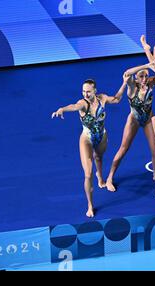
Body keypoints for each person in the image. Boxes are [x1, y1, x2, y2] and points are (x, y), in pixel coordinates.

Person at [51, 76, 128, 217]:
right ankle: (90, 205)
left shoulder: (102, 98)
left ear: (95, 91)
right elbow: (73, 107)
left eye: (88, 92)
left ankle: (101, 178)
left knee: (99, 157)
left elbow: (116, 99)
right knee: (88, 174)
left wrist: (124, 83)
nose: (86, 94)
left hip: (101, 136)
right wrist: (62, 109)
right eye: (83, 91)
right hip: (86, 139)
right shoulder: (83, 104)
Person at [105, 63, 155, 191]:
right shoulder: (132, 87)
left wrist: (154, 65)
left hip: (148, 120)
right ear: (136, 78)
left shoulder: (151, 84)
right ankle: (110, 177)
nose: (144, 79)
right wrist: (146, 64)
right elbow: (127, 73)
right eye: (141, 76)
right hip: (134, 120)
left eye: (146, 76)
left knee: (154, 150)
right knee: (123, 149)